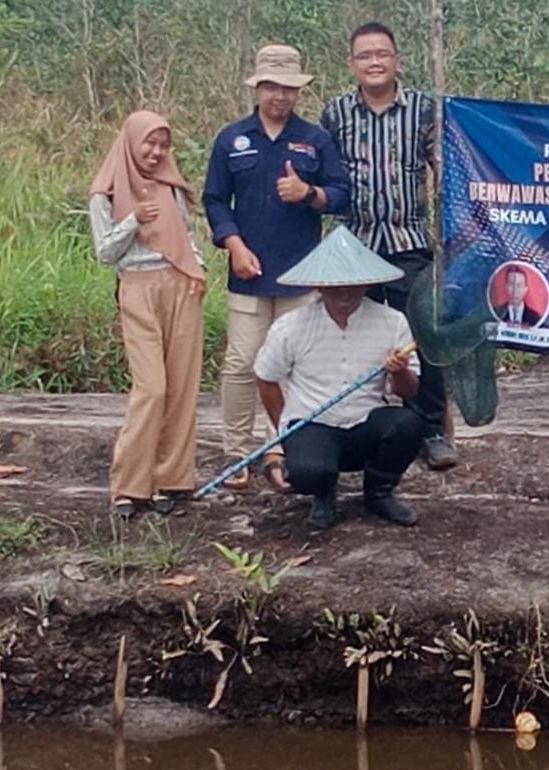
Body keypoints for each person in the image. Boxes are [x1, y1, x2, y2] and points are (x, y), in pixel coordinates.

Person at [203, 44, 349, 491]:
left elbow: (341, 193)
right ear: (257, 87)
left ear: (298, 90)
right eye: (271, 86)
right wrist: (233, 245)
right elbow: (213, 199)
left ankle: (278, 447)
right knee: (242, 362)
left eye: (288, 88)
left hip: (300, 275)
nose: (279, 96)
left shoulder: (314, 138)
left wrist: (308, 193)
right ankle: (235, 449)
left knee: (287, 366)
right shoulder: (232, 139)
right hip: (247, 272)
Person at [321, 22, 458, 471]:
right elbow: (326, 175)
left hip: (409, 240)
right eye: (365, 56)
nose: (375, 62)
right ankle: (361, 424)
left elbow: (446, 168)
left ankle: (432, 428)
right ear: (352, 64)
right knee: (355, 335)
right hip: (353, 245)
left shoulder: (423, 109)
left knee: (425, 334)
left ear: (397, 59)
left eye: (382, 54)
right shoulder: (336, 113)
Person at [254, 228, 428, 530]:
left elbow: (409, 390)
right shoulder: (291, 327)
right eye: (335, 286)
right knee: (309, 471)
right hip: (314, 423)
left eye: (353, 284)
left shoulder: (392, 321)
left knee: (408, 425)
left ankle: (379, 492)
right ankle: (323, 493)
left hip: (365, 423)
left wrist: (398, 370)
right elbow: (266, 379)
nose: (344, 293)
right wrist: (286, 431)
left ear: (367, 283)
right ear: (319, 286)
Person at [89, 111, 205, 518]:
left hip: (181, 283)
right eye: (149, 143)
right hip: (137, 286)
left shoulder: (169, 186)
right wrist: (133, 221)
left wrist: (198, 268)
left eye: (163, 144)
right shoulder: (105, 192)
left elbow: (186, 234)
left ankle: (170, 480)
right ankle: (129, 486)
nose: (156, 152)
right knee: (151, 388)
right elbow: (105, 253)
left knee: (181, 386)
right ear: (130, 143)